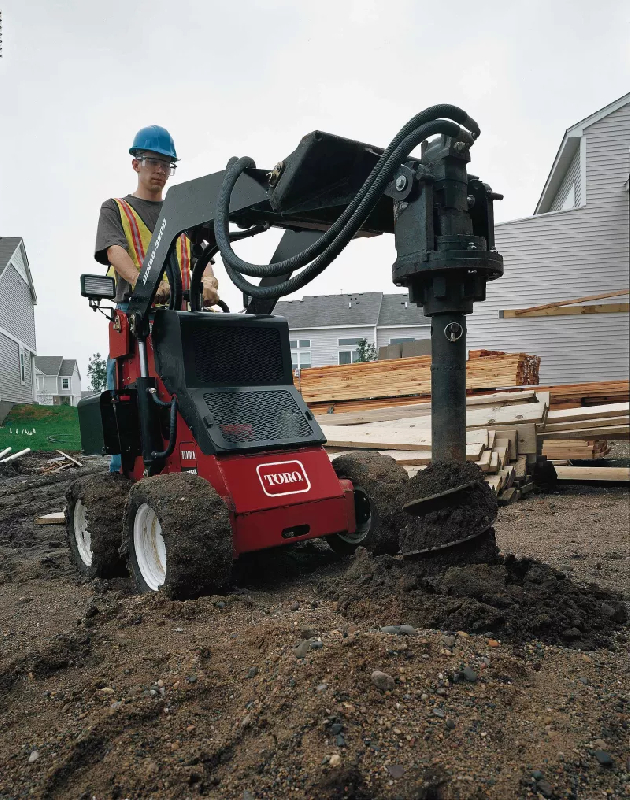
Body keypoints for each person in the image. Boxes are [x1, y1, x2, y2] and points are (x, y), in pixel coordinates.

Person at [95, 125, 219, 472]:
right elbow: (113, 250)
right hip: (134, 316)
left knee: (190, 390)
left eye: (168, 164)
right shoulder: (115, 208)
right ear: (136, 163)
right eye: (153, 162)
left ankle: (191, 461)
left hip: (181, 317)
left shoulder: (185, 212)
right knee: (126, 394)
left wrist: (209, 284)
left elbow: (205, 257)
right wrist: (143, 284)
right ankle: (123, 473)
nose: (161, 170)